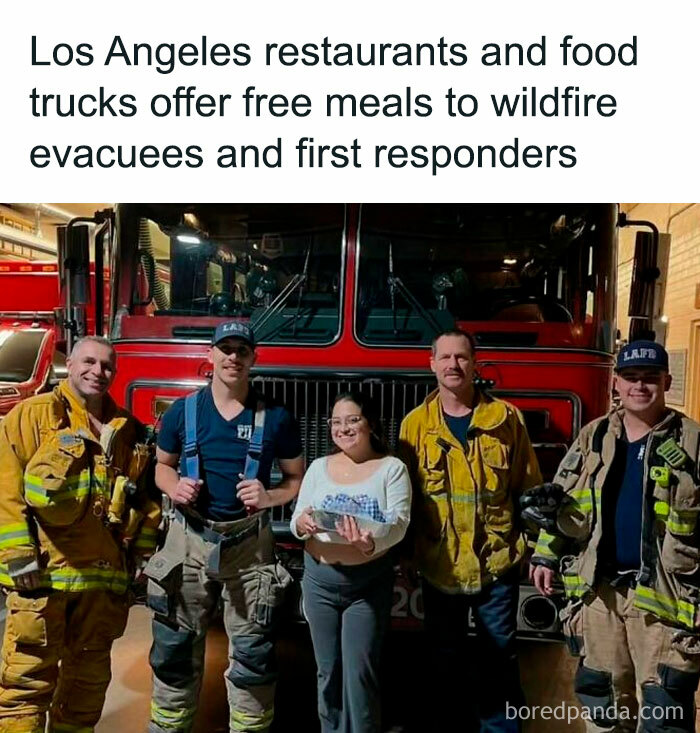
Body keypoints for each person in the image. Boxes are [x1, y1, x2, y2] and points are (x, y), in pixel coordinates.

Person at [529, 340, 700, 731]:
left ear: (667, 382)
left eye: (650, 378)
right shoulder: (595, 436)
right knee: (604, 704)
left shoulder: (693, 441)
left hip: (666, 599)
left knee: (665, 707)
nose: (640, 386)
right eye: (631, 378)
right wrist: (544, 554)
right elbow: (564, 500)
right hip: (599, 595)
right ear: (616, 385)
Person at [147, 321, 304, 733]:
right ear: (211, 355)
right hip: (188, 543)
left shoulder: (277, 419)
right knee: (174, 650)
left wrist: (270, 496)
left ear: (254, 358)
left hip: (250, 549)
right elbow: (161, 467)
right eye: (225, 349)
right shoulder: (183, 411)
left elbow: (296, 480)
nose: (233, 357)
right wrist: (175, 486)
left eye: (242, 350)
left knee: (253, 655)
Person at [0, 335, 160, 733]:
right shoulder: (33, 415)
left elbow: (146, 501)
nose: (97, 372)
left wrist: (140, 554)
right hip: (42, 578)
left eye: (107, 366)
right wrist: (19, 556)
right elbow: (5, 488)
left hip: (100, 583)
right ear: (68, 365)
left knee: (86, 688)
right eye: (88, 362)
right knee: (26, 684)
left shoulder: (128, 430)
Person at [398, 328, 542, 732]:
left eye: (461, 357)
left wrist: (536, 549)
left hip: (496, 562)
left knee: (500, 656)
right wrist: (407, 553)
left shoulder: (506, 419)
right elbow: (405, 499)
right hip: (439, 563)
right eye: (444, 358)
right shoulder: (414, 426)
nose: (453, 365)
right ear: (432, 365)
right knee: (444, 658)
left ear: (475, 363)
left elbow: (528, 488)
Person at [290, 391, 411, 733]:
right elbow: (300, 515)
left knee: (360, 674)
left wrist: (371, 542)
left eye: (353, 420)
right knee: (327, 671)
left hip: (367, 585)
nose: (343, 428)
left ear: (370, 424)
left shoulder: (392, 469)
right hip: (319, 582)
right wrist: (302, 525)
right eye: (336, 421)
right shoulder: (318, 467)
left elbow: (399, 523)